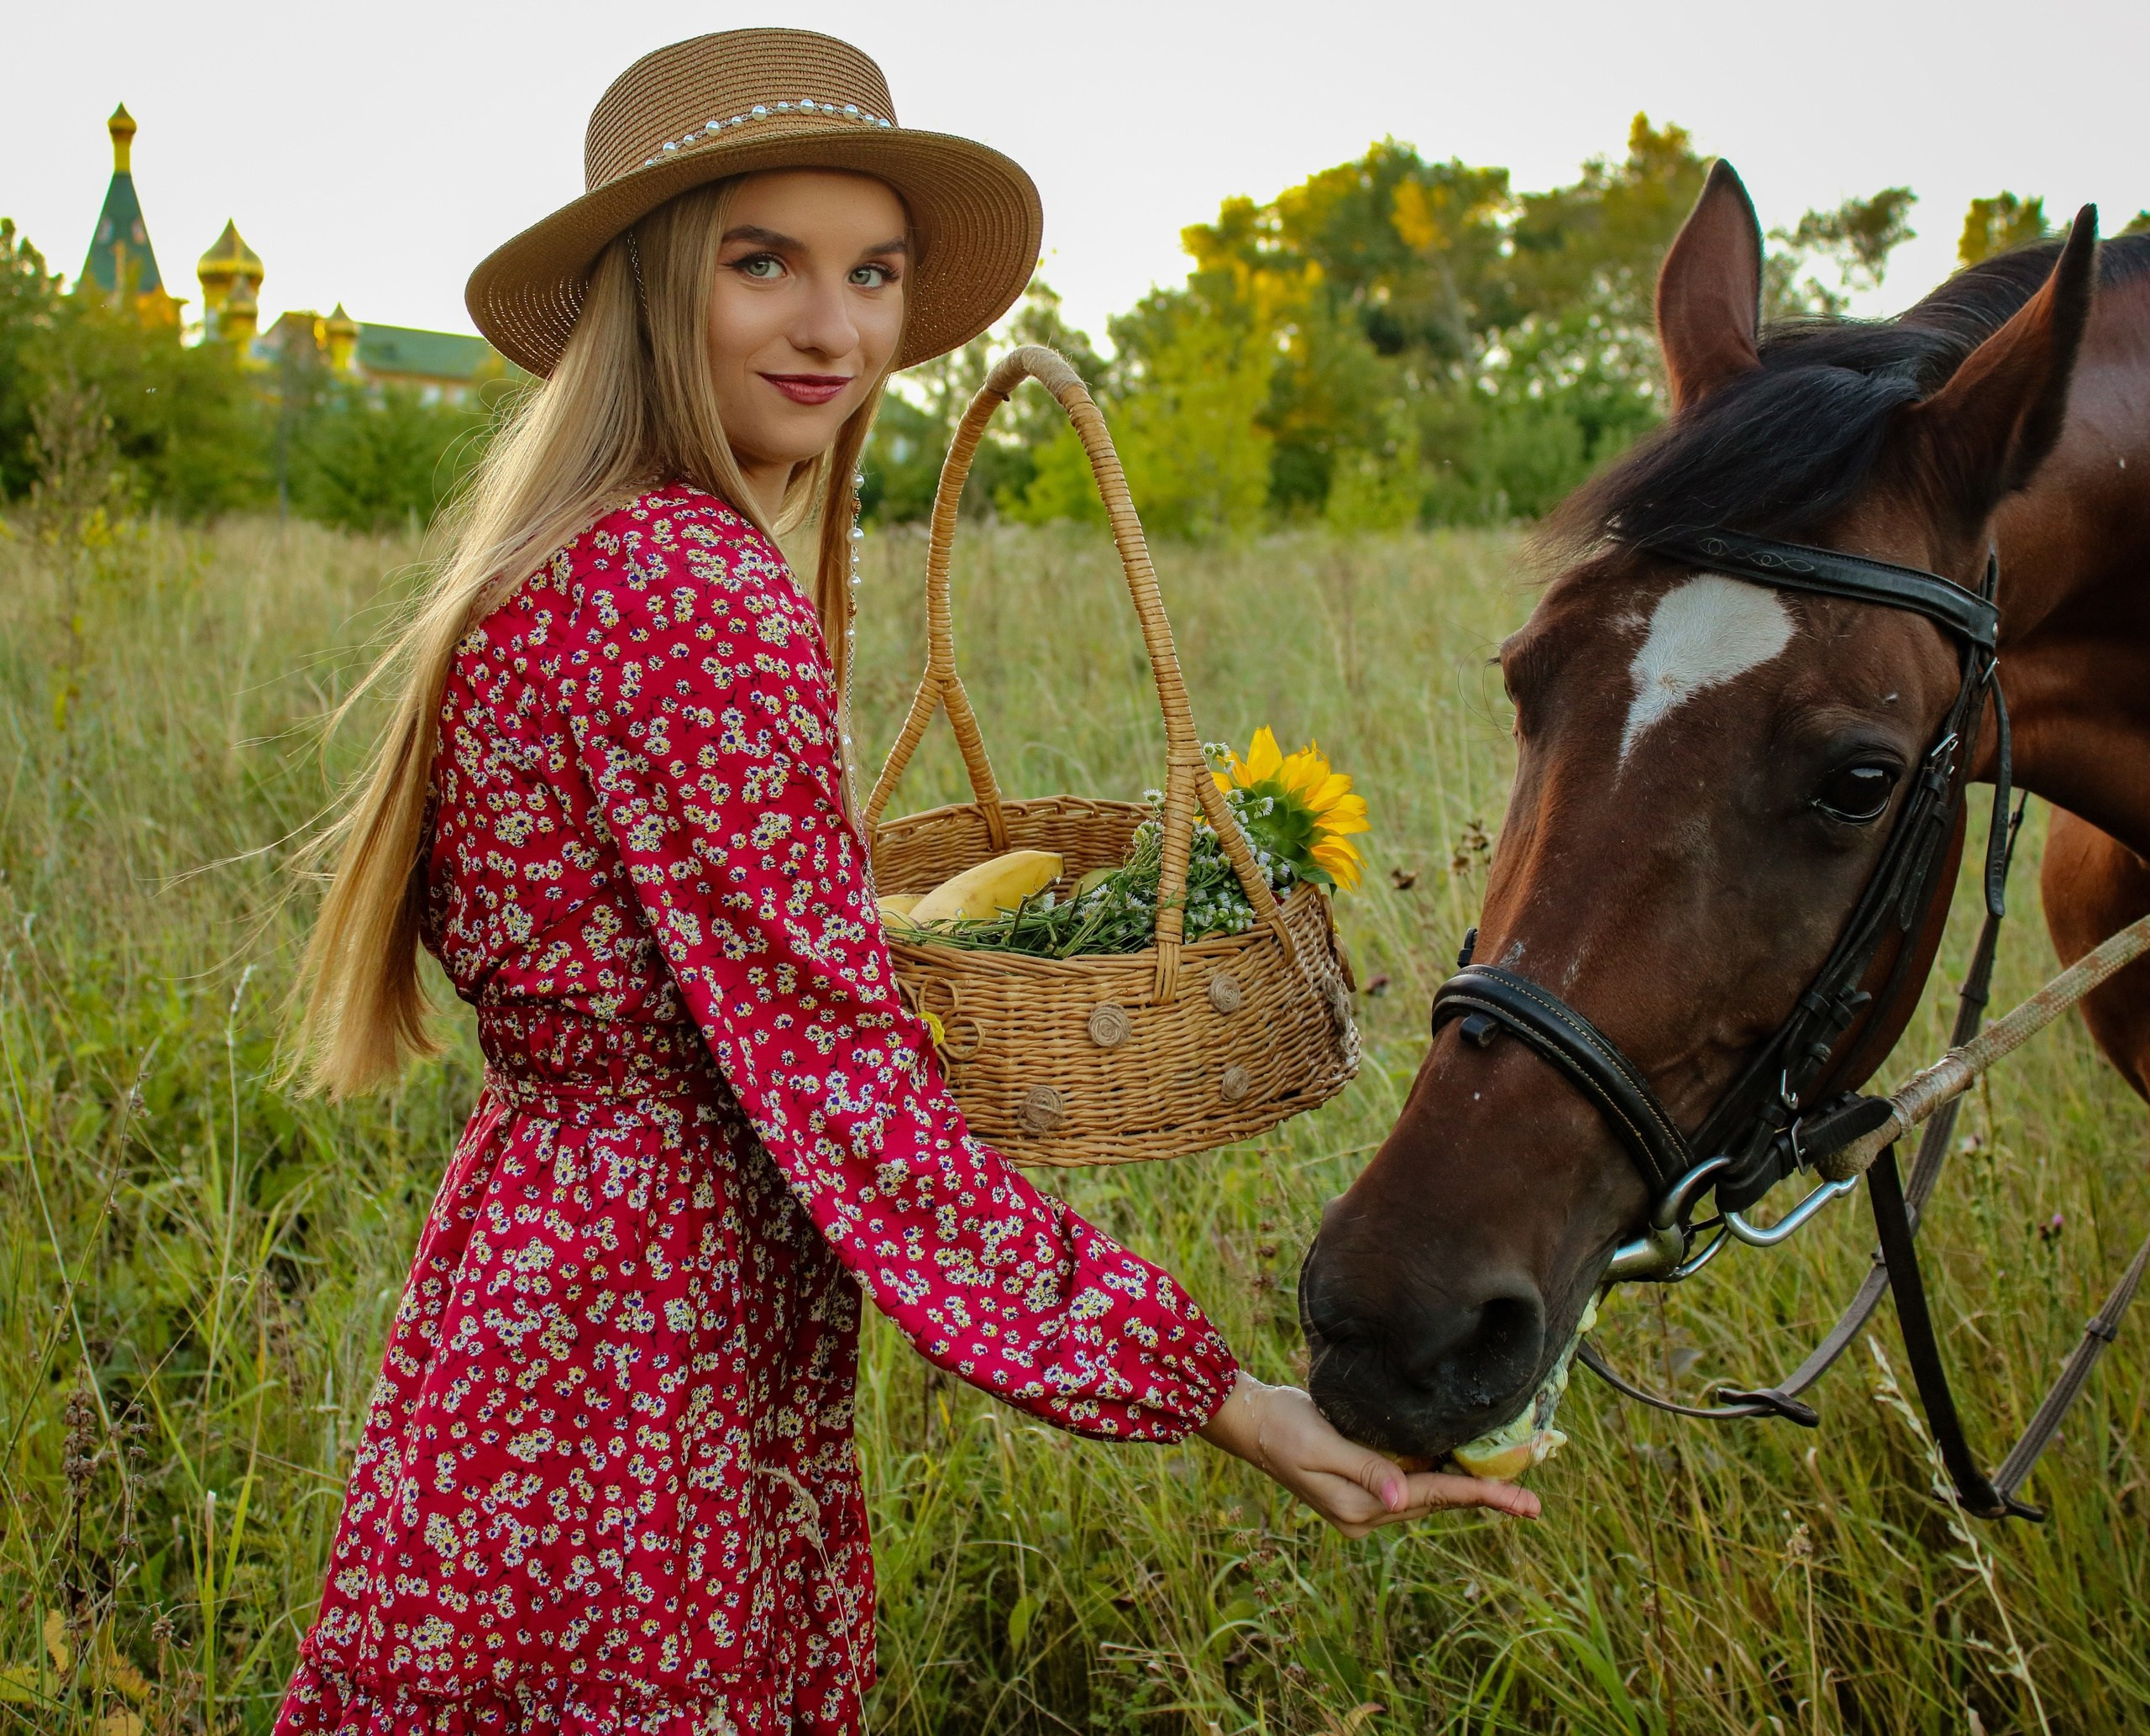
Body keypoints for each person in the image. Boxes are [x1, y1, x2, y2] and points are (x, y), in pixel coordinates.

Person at [274, 29, 1536, 1736]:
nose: (835, 328)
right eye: (763, 263)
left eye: (872, 273)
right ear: (652, 284)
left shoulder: (582, 551)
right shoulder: (691, 591)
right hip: (642, 1356)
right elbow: (848, 1104)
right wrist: (1220, 1396)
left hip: (533, 1292)